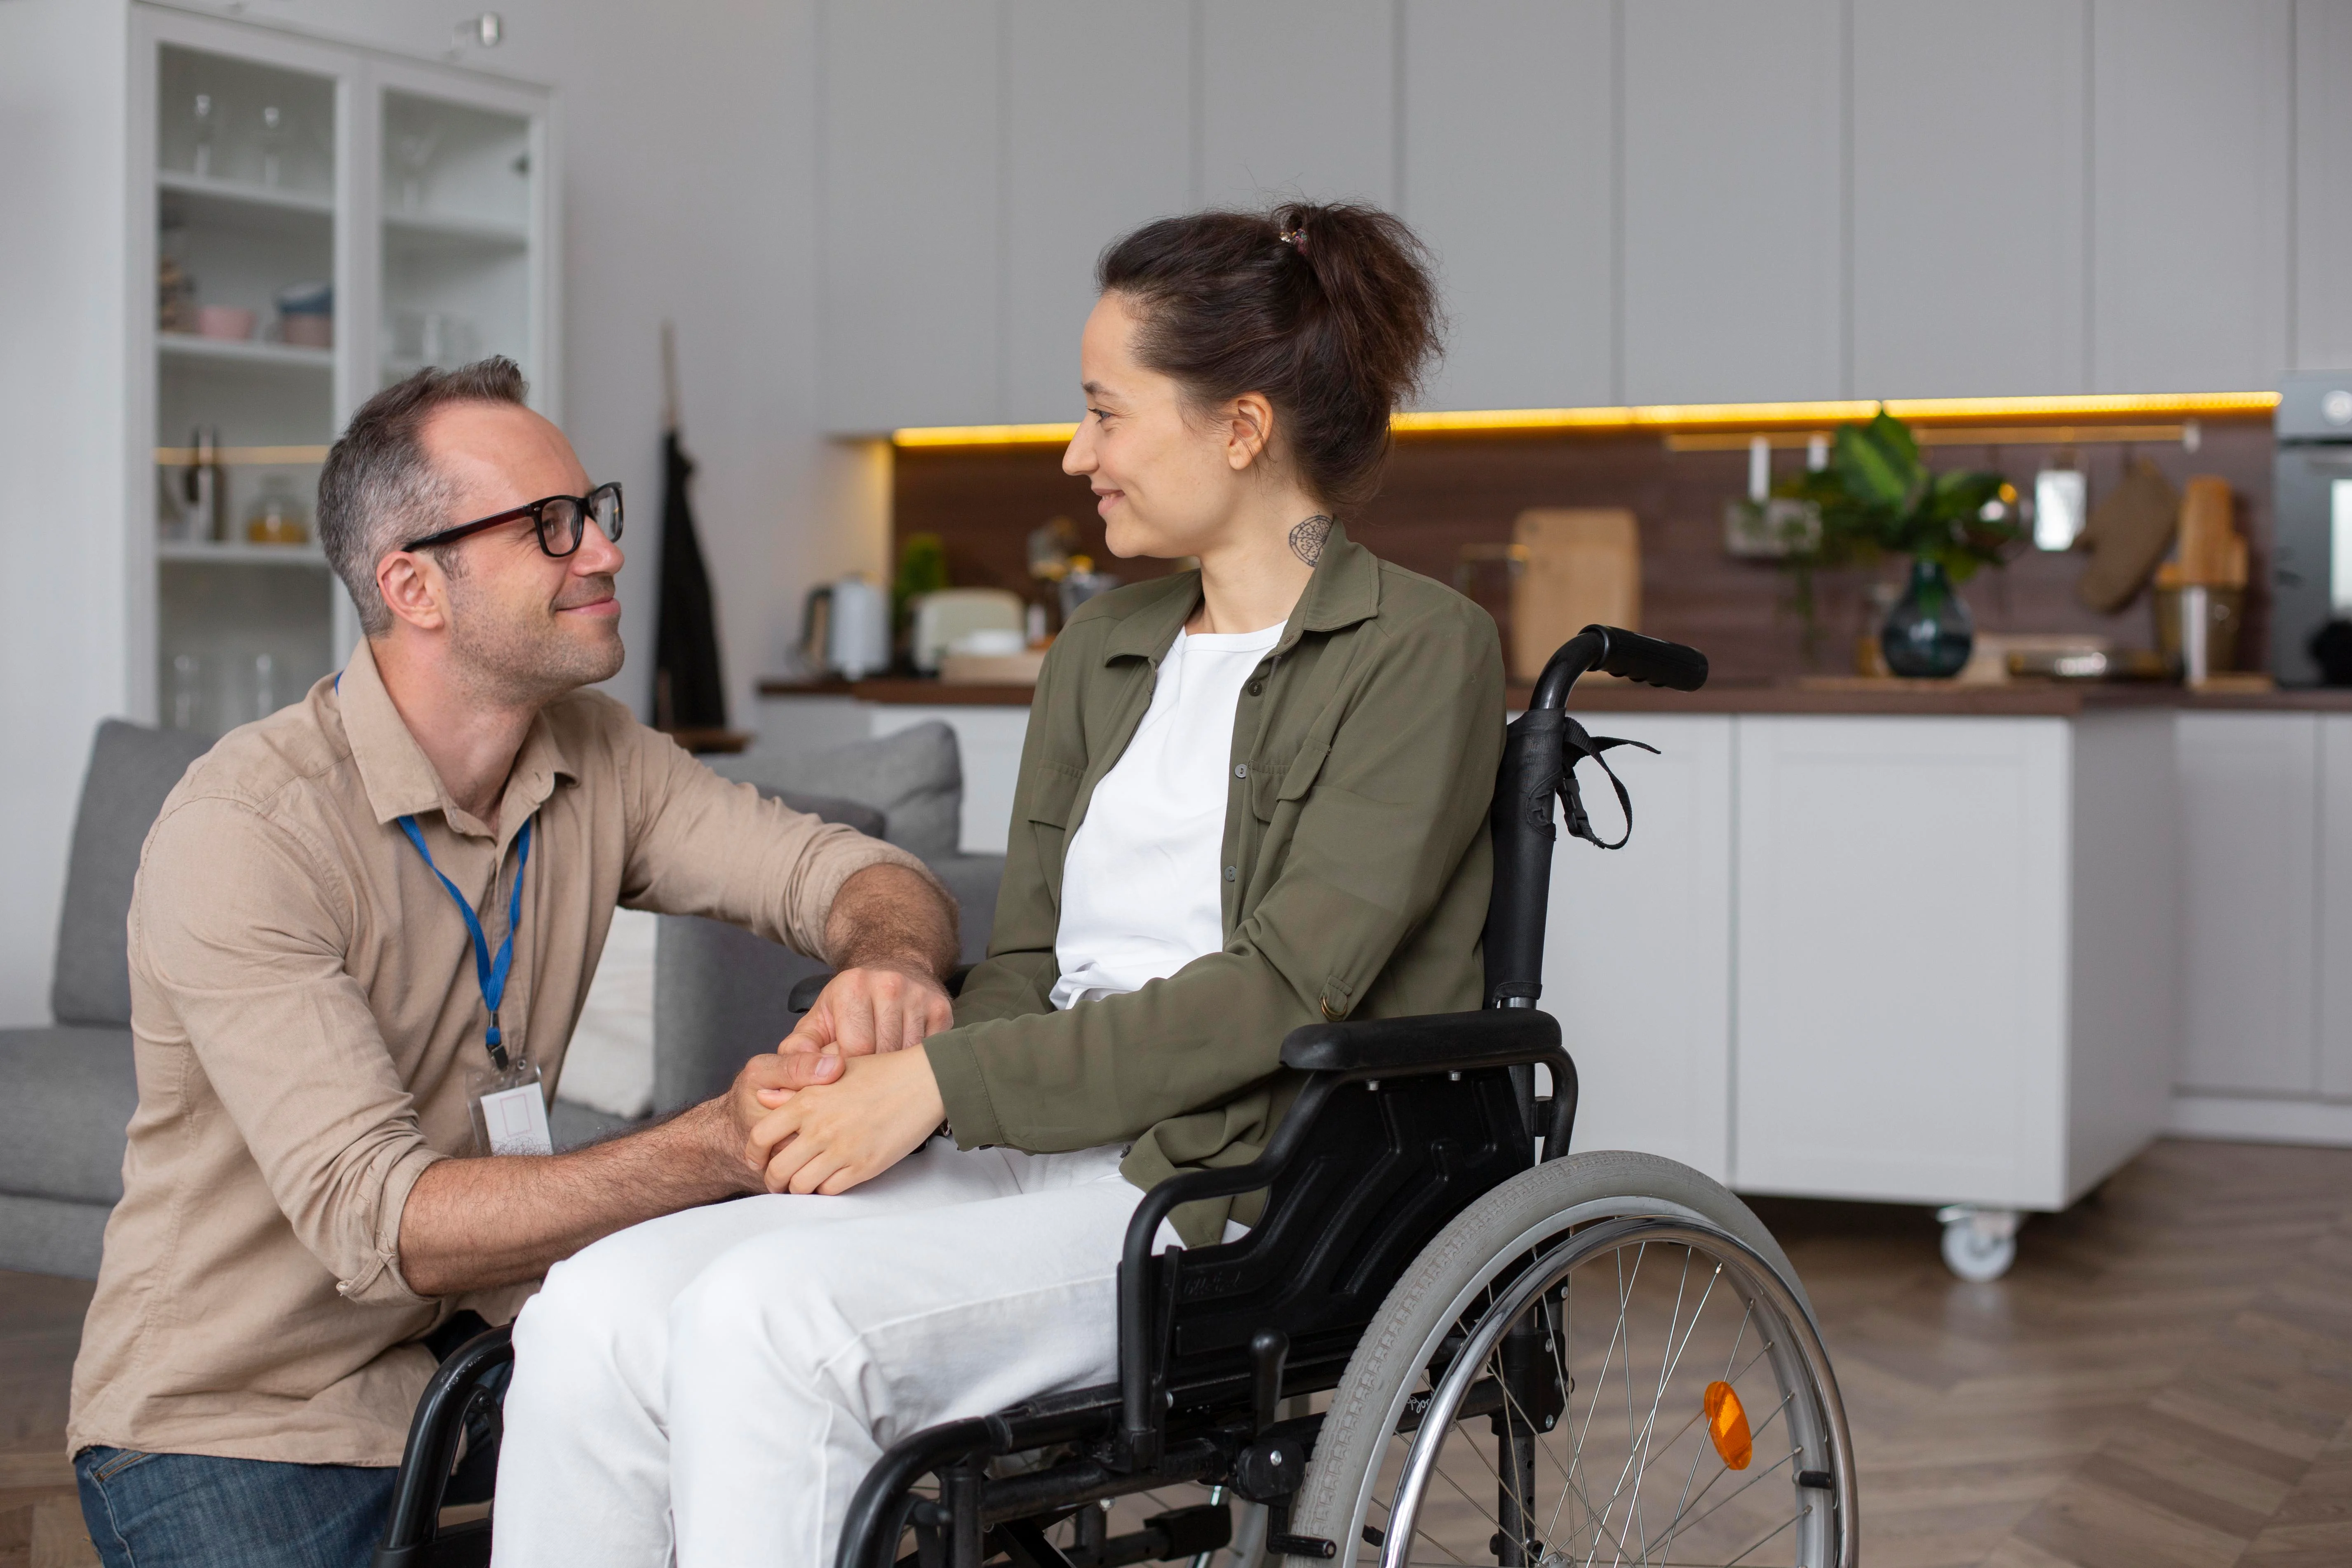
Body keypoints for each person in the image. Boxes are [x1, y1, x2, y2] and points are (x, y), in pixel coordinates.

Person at [490, 202, 1505, 1568]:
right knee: (592, 1305)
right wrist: (899, 1048)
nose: (1077, 452)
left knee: (763, 1328)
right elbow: (1025, 963)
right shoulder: (1104, 648)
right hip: (1022, 1143)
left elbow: (1281, 991)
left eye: (1106, 411)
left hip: (1223, 1189)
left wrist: (941, 1089)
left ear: (1242, 430)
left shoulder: (1421, 651)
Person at [66, 359, 962, 1568]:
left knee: (837, 1481)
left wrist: (890, 965)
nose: (601, 550)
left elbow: (854, 873)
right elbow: (387, 1223)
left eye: (592, 511)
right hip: (239, 1423)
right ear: (413, 587)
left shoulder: (604, 755)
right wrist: (717, 1145)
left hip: (480, 1363)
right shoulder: (246, 832)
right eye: (550, 526)